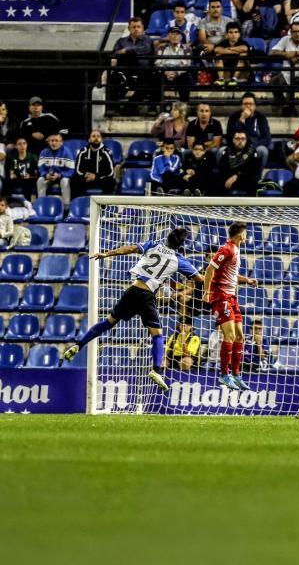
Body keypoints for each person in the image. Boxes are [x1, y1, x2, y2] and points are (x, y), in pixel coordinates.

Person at [62, 227, 199, 391]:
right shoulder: (179, 260)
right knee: (157, 335)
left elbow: (130, 248)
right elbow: (199, 279)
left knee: (109, 322)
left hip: (132, 290)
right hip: (147, 295)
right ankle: (157, 371)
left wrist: (106, 254)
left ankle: (79, 344)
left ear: (167, 239)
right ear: (181, 245)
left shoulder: (153, 245)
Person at [203, 222, 258, 391]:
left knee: (240, 336)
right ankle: (224, 374)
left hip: (232, 297)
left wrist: (247, 280)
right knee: (230, 335)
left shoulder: (236, 250)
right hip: (221, 296)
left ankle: (236, 374)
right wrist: (206, 292)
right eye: (245, 233)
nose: (246, 235)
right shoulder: (226, 249)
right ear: (240, 235)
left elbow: (232, 275)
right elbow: (209, 270)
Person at [269, 21, 299, 116]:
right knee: (273, 82)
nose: (297, 34)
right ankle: (284, 104)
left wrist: (296, 53)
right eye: (294, 31)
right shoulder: (285, 39)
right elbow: (272, 52)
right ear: (291, 32)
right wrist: (285, 54)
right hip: (287, 73)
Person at [226, 92, 271, 165]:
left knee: (263, 150)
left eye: (251, 104)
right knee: (221, 151)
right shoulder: (234, 117)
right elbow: (230, 136)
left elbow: (267, 139)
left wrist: (251, 147)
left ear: (255, 106)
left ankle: (257, 176)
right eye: (245, 104)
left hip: (254, 147)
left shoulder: (261, 118)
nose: (248, 106)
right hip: (237, 146)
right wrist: (241, 119)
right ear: (241, 106)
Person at [71, 129, 116, 198]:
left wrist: (95, 177)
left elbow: (110, 172)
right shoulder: (83, 151)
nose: (96, 138)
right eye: (93, 136)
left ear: (101, 140)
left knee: (111, 182)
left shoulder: (106, 152)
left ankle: (105, 206)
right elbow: (78, 170)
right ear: (89, 139)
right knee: (74, 180)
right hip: (86, 179)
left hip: (100, 179)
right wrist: (85, 174)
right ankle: (79, 203)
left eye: (98, 136)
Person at [216, 131, 262, 196]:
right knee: (216, 177)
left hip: (245, 181)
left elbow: (253, 171)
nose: (240, 141)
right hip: (229, 180)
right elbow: (223, 168)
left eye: (243, 139)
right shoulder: (227, 151)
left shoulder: (252, 152)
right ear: (233, 140)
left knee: (253, 180)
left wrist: (237, 176)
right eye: (237, 139)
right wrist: (231, 177)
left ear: (246, 140)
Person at [36, 133, 74, 206]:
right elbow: (41, 168)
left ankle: (66, 207)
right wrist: (45, 175)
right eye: (52, 140)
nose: (54, 143)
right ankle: (41, 205)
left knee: (65, 181)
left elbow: (71, 170)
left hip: (61, 177)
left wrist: (60, 175)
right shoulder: (43, 152)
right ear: (48, 142)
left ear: (61, 142)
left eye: (56, 140)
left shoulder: (67, 152)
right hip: (48, 177)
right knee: (40, 180)